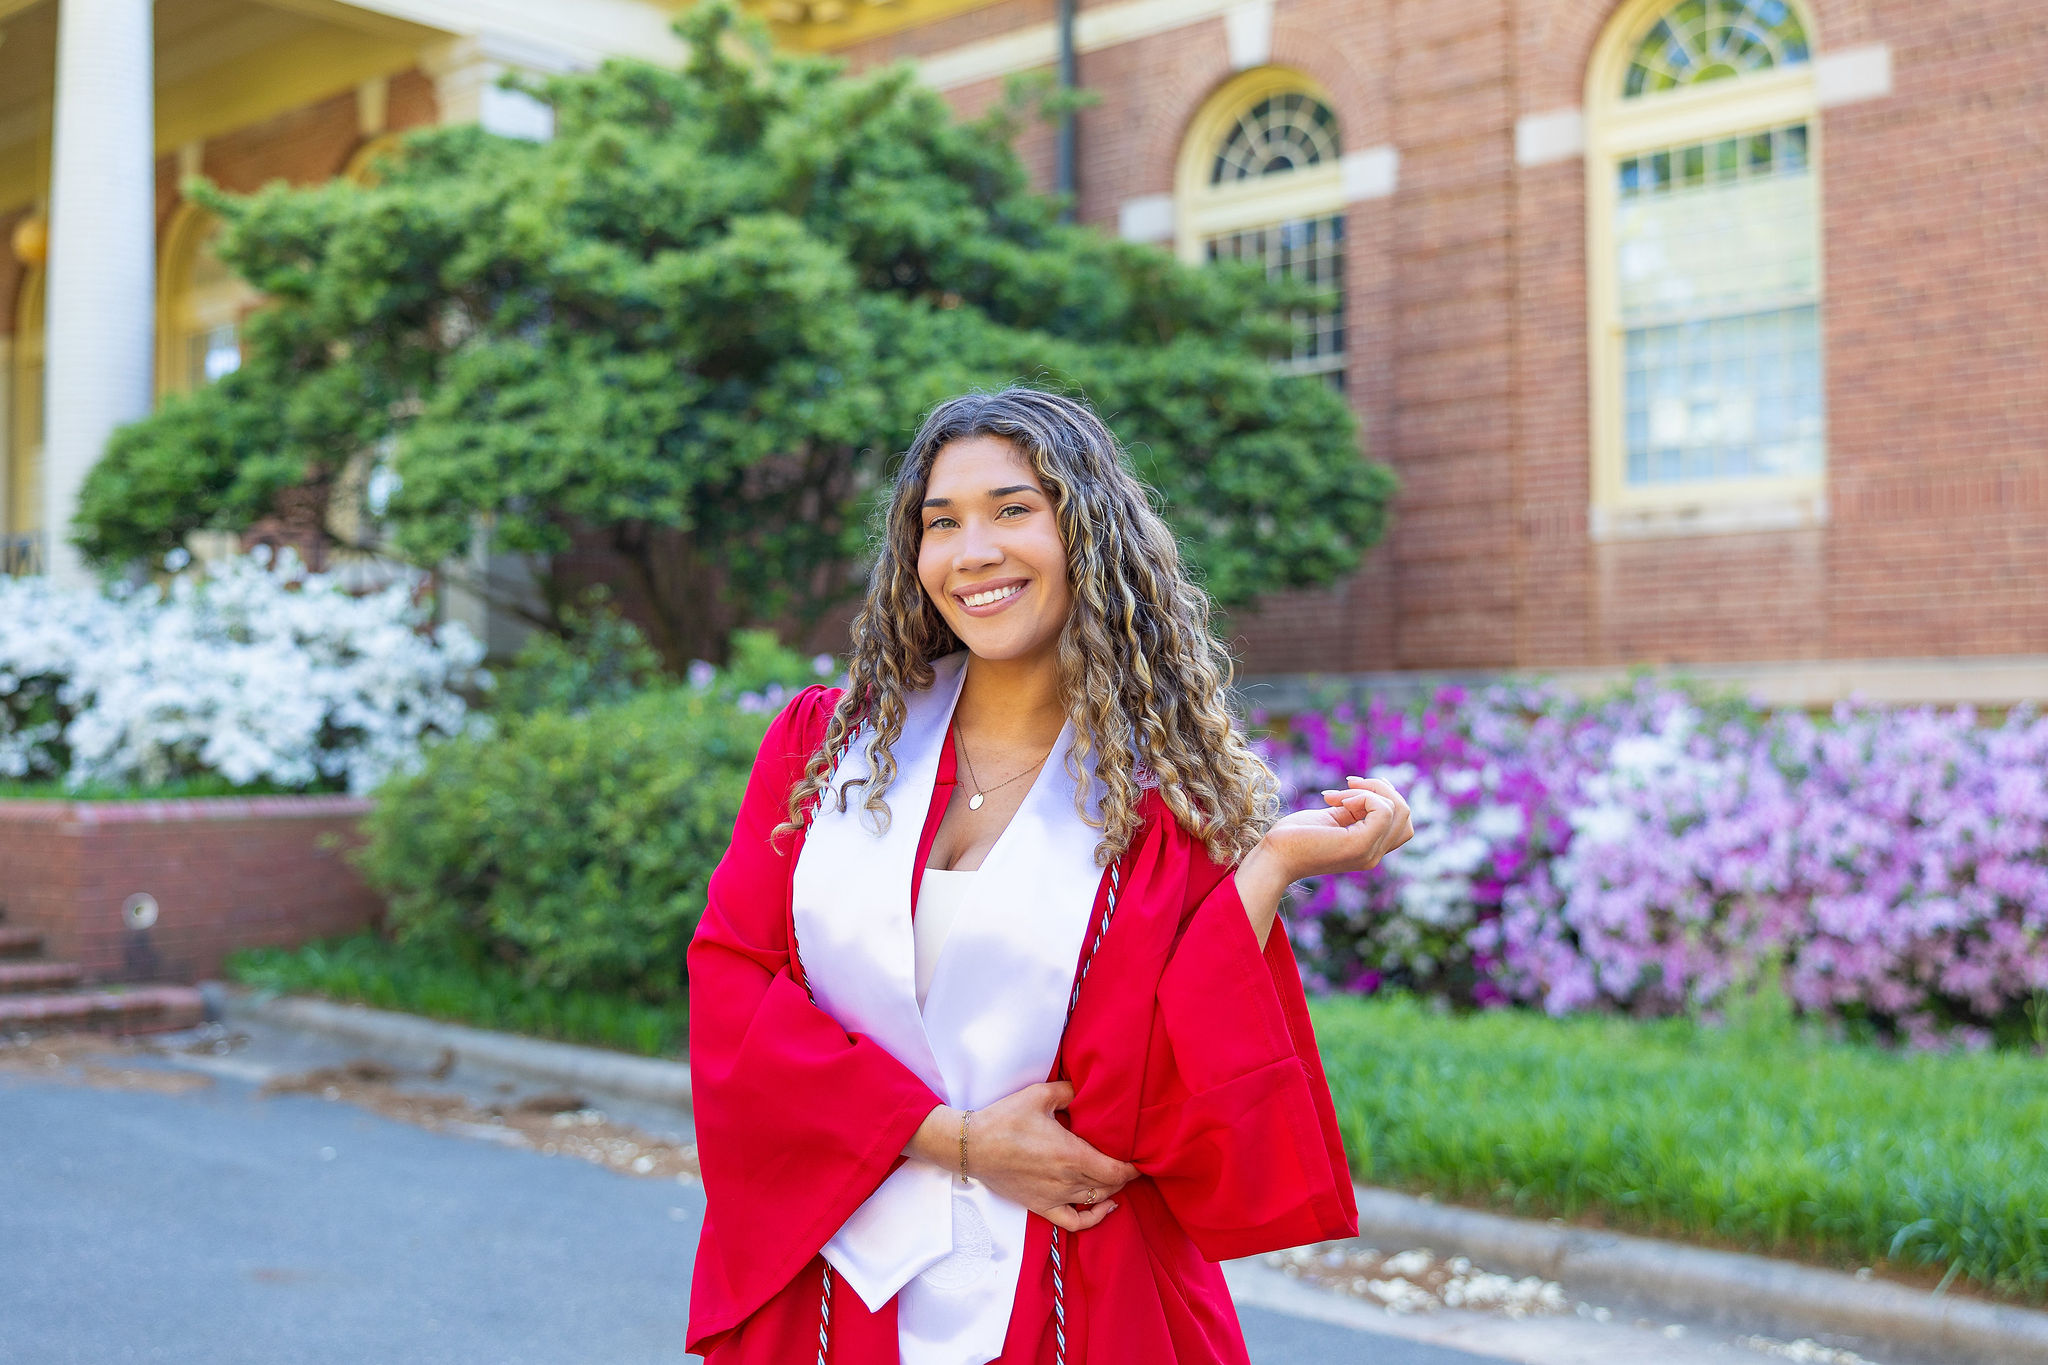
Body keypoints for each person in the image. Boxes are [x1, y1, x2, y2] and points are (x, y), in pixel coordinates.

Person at [685, 388, 1414, 1365]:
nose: (972, 550)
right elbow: (735, 993)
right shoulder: (826, 751)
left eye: (1012, 510)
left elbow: (1136, 1107)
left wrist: (1271, 865)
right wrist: (949, 1139)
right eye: (939, 523)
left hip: (1066, 1288)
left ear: (1086, 536)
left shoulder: (1156, 812)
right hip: (835, 1281)